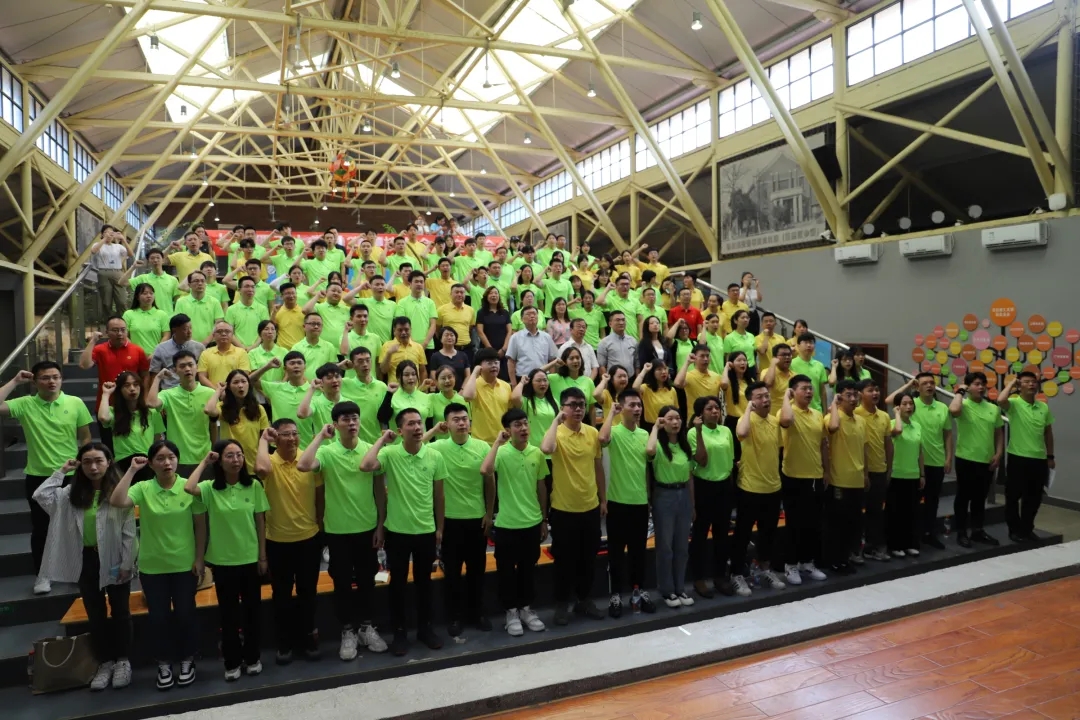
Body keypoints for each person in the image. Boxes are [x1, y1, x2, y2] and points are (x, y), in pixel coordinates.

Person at [34, 444, 136, 691]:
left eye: (98, 460)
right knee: (95, 613)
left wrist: (127, 563)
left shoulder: (118, 492)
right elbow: (41, 495)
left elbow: (129, 532)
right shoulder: (71, 494)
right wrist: (62, 471)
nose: (93, 467)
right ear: (80, 465)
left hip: (114, 557)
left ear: (109, 462)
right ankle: (105, 662)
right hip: (86, 560)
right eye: (87, 461)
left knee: (121, 611)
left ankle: (123, 661)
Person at [110, 442, 205, 690]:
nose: (167, 463)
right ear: (151, 464)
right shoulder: (143, 488)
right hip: (153, 567)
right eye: (160, 459)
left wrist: (199, 559)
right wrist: (132, 470)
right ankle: (163, 664)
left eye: (171, 457)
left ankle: (187, 660)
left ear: (178, 460)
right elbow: (117, 501)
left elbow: (200, 526)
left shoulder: (189, 487)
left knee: (185, 614)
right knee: (158, 618)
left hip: (184, 565)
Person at [298, 403, 388, 661]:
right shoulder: (327, 452)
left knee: (367, 581)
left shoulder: (370, 449)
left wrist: (380, 524)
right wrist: (320, 436)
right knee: (342, 584)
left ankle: (366, 628)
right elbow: (303, 465)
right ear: (335, 424)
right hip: (337, 531)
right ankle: (347, 631)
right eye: (345, 419)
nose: (351, 423)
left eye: (355, 418)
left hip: (367, 528)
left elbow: (379, 490)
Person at [0, 363, 93, 594]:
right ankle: (43, 575)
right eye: (45, 378)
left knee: (77, 526)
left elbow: (85, 437)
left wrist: (85, 464)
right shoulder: (25, 404)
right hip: (38, 475)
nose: (52, 381)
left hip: (72, 475)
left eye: (56, 377)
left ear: (61, 379)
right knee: (42, 528)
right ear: (34, 382)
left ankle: (77, 570)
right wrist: (14, 381)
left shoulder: (75, 403)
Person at [361, 410, 447, 656]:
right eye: (411, 424)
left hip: (426, 530)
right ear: (400, 431)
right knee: (397, 585)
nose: (418, 427)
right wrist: (382, 440)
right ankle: (399, 633)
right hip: (397, 532)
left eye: (419, 423)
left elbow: (439, 496)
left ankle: (425, 629)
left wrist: (440, 528)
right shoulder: (390, 454)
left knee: (424, 584)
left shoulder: (434, 456)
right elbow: (366, 465)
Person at [185, 441, 269, 680]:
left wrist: (263, 556)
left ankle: (253, 658)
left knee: (252, 613)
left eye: (239, 455)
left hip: (250, 559)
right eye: (229, 456)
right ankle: (232, 662)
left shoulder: (254, 485)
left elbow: (260, 522)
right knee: (228, 615)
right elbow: (189, 487)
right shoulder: (210, 488)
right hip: (222, 561)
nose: (236, 460)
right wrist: (205, 461)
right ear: (220, 461)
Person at [255, 420, 324, 664]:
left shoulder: (308, 459)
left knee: (308, 593)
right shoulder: (269, 461)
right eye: (286, 434)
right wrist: (263, 440)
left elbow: (320, 497)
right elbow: (260, 470)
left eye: (295, 433)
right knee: (281, 595)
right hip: (277, 541)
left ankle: (308, 637)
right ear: (276, 439)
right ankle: (284, 642)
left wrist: (321, 528)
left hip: (309, 538)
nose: (292, 438)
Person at [540, 387, 606, 625]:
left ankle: (584, 600)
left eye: (581, 404)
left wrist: (603, 499)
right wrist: (556, 421)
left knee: (588, 559)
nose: (578, 409)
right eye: (572, 405)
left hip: (590, 506)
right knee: (564, 561)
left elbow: (598, 467)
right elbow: (546, 449)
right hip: (563, 509)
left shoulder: (592, 432)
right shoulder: (556, 433)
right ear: (562, 408)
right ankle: (562, 604)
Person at [426, 404, 493, 637]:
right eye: (456, 419)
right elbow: (414, 446)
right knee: (452, 573)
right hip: (450, 521)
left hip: (477, 519)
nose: (462, 423)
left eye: (465, 419)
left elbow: (490, 483)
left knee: (477, 571)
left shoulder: (483, 447)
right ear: (447, 423)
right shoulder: (438, 448)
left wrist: (489, 513)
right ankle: (454, 617)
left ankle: (477, 613)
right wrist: (434, 430)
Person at [482, 409, 548, 636]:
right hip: (507, 524)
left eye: (525, 423)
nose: (523, 428)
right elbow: (485, 470)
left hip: (532, 522)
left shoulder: (537, 453)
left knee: (528, 570)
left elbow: (541, 487)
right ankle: (511, 612)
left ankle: (526, 609)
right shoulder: (501, 453)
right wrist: (496, 443)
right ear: (508, 430)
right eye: (517, 425)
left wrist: (543, 519)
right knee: (507, 572)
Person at [598, 389, 655, 615]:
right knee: (616, 553)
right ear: (622, 408)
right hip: (617, 502)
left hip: (639, 502)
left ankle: (638, 591)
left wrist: (648, 498)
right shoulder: (613, 431)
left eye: (639, 405)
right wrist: (611, 413)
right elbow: (602, 439)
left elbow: (647, 468)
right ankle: (615, 596)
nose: (637, 409)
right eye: (632, 405)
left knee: (638, 552)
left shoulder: (644, 434)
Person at [731, 382, 786, 597]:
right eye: (760, 397)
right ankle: (736, 574)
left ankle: (765, 569)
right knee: (742, 534)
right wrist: (748, 409)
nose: (765, 400)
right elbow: (742, 432)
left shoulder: (774, 421)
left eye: (767, 395)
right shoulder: (744, 420)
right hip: (749, 487)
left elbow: (778, 450)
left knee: (768, 533)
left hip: (773, 486)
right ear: (751, 401)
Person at [887, 372, 951, 550]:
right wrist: (909, 385)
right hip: (913, 465)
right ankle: (910, 538)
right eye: (924, 383)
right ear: (918, 387)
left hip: (936, 462)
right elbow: (890, 400)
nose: (929, 386)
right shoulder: (911, 405)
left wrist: (948, 458)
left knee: (932, 501)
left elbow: (948, 434)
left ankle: (929, 534)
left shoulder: (942, 408)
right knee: (911, 505)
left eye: (932, 383)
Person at [650, 405, 704, 609]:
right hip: (664, 495)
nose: (675, 422)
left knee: (682, 547)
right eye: (670, 418)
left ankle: (680, 587)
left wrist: (693, 504)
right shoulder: (657, 445)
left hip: (683, 496)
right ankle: (667, 590)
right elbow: (649, 451)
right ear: (662, 421)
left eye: (678, 418)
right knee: (665, 547)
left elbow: (690, 477)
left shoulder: (684, 446)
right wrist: (655, 428)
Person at [776, 376, 829, 586]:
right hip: (793, 476)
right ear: (793, 391)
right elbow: (786, 421)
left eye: (810, 388)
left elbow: (823, 444)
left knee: (813, 524)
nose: (809, 392)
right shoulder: (786, 411)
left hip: (815, 476)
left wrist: (826, 470)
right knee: (794, 524)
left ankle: (807, 562)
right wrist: (786, 398)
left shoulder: (817, 414)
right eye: (804, 389)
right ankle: (790, 565)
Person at [684, 395, 736, 598]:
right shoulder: (692, 432)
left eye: (717, 408)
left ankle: (720, 576)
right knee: (700, 535)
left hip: (724, 487)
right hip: (703, 487)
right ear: (700, 414)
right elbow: (702, 460)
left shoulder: (726, 431)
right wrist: (698, 431)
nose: (715, 411)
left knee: (722, 535)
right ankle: (698, 578)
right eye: (709, 409)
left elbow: (730, 461)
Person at [998, 372, 1055, 543]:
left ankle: (1027, 529)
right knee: (1013, 496)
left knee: (1034, 498)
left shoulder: (1043, 407)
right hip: (1018, 458)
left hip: (1039, 459)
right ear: (1020, 385)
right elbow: (1000, 400)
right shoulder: (1014, 404)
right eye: (1027, 382)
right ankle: (1014, 529)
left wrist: (1050, 456)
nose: (1031, 384)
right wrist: (1011, 384)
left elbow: (1048, 433)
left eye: (1034, 382)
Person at [949, 372, 1004, 548]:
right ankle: (961, 532)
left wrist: (999, 453)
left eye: (983, 384)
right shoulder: (962, 405)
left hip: (986, 460)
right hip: (965, 458)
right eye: (976, 384)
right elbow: (953, 410)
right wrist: (960, 391)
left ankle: (977, 531)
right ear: (968, 387)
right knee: (963, 497)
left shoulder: (993, 408)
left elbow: (999, 433)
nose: (981, 387)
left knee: (980, 498)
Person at [80, 316, 150, 450]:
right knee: (108, 446)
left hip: (131, 406)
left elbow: (145, 375)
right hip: (107, 405)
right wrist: (93, 341)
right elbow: (84, 364)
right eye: (115, 330)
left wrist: (144, 397)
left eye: (123, 330)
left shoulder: (137, 350)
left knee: (131, 445)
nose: (120, 334)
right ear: (107, 332)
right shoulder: (100, 349)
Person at [146, 351, 216, 477]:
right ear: (175, 370)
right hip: (177, 459)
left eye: (190, 365)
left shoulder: (210, 393)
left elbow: (213, 425)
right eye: (182, 366)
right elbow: (151, 403)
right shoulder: (168, 394)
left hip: (204, 458)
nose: (187, 369)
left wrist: (214, 449)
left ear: (197, 367)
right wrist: (157, 378)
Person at [825, 380, 869, 575]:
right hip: (838, 480)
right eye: (848, 395)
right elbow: (833, 426)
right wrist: (834, 404)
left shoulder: (861, 421)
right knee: (838, 524)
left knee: (853, 522)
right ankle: (835, 560)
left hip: (857, 479)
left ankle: (846, 557)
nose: (853, 399)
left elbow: (864, 449)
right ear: (839, 397)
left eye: (855, 395)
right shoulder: (832, 417)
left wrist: (866, 474)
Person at [98, 372, 164, 479]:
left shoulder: (151, 412)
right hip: (123, 464)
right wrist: (106, 394)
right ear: (120, 390)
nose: (132, 389)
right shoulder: (114, 412)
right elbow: (103, 417)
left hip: (146, 463)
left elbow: (157, 441)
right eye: (127, 385)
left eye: (136, 384)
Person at [855, 379, 893, 563]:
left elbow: (888, 444)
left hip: (879, 470)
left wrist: (889, 468)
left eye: (877, 390)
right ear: (860, 394)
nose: (875, 393)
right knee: (855, 513)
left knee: (876, 511)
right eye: (870, 390)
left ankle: (872, 548)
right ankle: (855, 549)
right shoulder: (855, 413)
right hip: (858, 472)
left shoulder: (884, 416)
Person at [205, 370, 269, 472]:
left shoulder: (259, 409)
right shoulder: (223, 408)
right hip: (230, 465)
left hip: (253, 464)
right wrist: (219, 391)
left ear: (249, 384)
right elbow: (208, 410)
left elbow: (264, 438)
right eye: (235, 382)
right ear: (229, 387)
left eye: (243, 381)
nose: (240, 385)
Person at [888, 393, 924, 557]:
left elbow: (920, 452)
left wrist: (922, 474)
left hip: (913, 474)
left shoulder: (917, 426)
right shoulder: (891, 424)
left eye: (911, 403)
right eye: (904, 404)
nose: (909, 407)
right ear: (897, 406)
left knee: (911, 512)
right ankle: (895, 545)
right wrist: (896, 414)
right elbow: (898, 431)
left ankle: (909, 543)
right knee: (896, 513)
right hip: (896, 474)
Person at [462, 348, 512, 443]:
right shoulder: (474, 384)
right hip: (480, 442)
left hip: (503, 440)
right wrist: (474, 373)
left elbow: (509, 412)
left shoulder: (506, 386)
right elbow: (467, 396)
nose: (494, 366)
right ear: (479, 366)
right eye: (489, 363)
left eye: (496, 363)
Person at [149, 314, 205, 391]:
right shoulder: (161, 349)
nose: (189, 332)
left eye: (190, 328)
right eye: (185, 329)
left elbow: (203, 373)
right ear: (174, 330)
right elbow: (154, 375)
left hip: (192, 389)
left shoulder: (199, 347)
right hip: (170, 390)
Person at [507, 306, 558, 384]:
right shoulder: (515, 337)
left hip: (543, 379)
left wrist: (551, 380)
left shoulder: (546, 337)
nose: (532, 316)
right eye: (528, 314)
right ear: (522, 319)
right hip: (523, 379)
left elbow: (552, 360)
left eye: (534, 314)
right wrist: (513, 383)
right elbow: (511, 362)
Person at [174, 272, 225, 345]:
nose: (200, 283)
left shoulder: (214, 302)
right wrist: (192, 342)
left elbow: (218, 324)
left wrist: (206, 341)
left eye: (202, 281)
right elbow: (179, 324)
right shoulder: (181, 302)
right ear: (189, 285)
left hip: (211, 343)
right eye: (196, 281)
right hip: (187, 343)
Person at [198, 321, 252, 389]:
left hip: (235, 393)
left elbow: (244, 376)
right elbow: (202, 377)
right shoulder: (205, 353)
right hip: (212, 393)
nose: (223, 334)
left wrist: (229, 391)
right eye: (219, 331)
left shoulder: (241, 353)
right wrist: (217, 391)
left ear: (232, 335)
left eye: (227, 331)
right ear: (213, 336)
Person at [675, 344, 723, 421]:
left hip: (714, 419)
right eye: (702, 356)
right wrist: (687, 363)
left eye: (707, 356)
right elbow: (677, 383)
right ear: (694, 358)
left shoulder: (716, 376)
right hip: (696, 419)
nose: (705, 359)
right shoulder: (689, 376)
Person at [92, 225, 130, 319]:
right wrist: (104, 239)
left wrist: (123, 239)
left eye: (111, 232)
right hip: (103, 272)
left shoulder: (118, 246)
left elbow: (130, 254)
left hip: (117, 272)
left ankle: (123, 320)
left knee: (122, 301)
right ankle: (109, 321)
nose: (109, 234)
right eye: (106, 232)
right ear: (102, 234)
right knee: (106, 301)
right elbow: (93, 251)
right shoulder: (98, 244)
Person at [128, 248, 179, 316]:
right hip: (148, 317)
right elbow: (122, 282)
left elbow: (177, 301)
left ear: (163, 260)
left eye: (158, 258)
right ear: (148, 262)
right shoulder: (143, 278)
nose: (155, 260)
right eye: (152, 258)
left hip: (168, 316)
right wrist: (133, 267)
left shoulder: (173, 280)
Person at [123, 283, 170, 355]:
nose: (149, 296)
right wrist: (135, 351)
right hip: (134, 355)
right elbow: (124, 335)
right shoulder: (128, 314)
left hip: (156, 356)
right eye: (145, 293)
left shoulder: (162, 314)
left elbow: (166, 336)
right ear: (137, 297)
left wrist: (155, 353)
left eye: (151, 293)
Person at [476, 287, 512, 378]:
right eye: (491, 293)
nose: (494, 295)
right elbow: (480, 331)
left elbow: (509, 331)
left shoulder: (505, 312)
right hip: (487, 350)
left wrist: (504, 349)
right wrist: (490, 350)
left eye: (496, 293)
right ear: (486, 296)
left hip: (503, 350)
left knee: (504, 377)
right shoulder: (481, 313)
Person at [225, 277, 271, 348]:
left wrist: (253, 347)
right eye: (247, 286)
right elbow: (229, 332)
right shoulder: (231, 310)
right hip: (237, 350)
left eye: (253, 287)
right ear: (239, 290)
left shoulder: (262, 309)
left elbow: (264, 331)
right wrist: (242, 347)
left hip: (258, 350)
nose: (250, 289)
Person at [379, 317, 427, 383]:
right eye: (400, 330)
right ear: (394, 331)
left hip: (414, 388)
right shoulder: (387, 346)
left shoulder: (418, 347)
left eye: (406, 330)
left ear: (411, 330)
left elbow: (423, 371)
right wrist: (389, 353)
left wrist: (422, 388)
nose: (403, 333)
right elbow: (383, 370)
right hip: (395, 388)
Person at [294, 312, 340, 380]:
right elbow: (295, 372)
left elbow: (332, 370)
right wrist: (309, 384)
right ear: (304, 327)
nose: (316, 327)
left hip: (324, 385)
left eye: (319, 324)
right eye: (313, 324)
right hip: (304, 385)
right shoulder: (296, 348)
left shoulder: (330, 347)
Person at [789, 332, 828, 412]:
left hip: (816, 410)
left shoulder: (820, 365)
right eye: (806, 342)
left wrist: (825, 411)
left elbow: (822, 391)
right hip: (796, 410)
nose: (809, 345)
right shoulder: (791, 364)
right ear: (798, 346)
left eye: (811, 343)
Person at [633, 361, 677, 430]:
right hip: (651, 426)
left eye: (665, 368)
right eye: (659, 369)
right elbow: (635, 387)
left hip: (669, 426)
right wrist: (644, 370)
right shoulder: (646, 388)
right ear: (652, 372)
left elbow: (675, 410)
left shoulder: (672, 390)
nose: (663, 372)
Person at [597, 311, 637, 376]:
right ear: (610, 324)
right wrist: (605, 381)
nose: (621, 323)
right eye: (617, 320)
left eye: (623, 320)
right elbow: (602, 366)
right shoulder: (604, 342)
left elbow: (637, 363)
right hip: (613, 379)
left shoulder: (633, 341)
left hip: (631, 378)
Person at [763, 343, 795, 412]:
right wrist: (773, 363)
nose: (787, 357)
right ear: (775, 358)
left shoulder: (795, 376)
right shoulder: (766, 372)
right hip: (773, 415)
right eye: (783, 355)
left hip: (789, 414)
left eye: (789, 354)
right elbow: (768, 383)